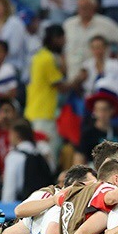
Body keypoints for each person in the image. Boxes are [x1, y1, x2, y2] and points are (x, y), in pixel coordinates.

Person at [25, 25, 82, 162]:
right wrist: (78, 80)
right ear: (56, 38)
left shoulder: (40, 56)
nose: (64, 42)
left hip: (36, 111)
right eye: (63, 39)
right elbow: (61, 87)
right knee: (48, 156)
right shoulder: (48, 59)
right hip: (43, 114)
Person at [62, 0, 118, 81]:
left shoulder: (105, 24)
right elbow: (62, 48)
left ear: (94, 7)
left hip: (97, 77)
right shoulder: (68, 24)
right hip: (74, 76)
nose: (83, 10)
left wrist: (117, 62)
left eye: (86, 7)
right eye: (80, 7)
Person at [76, 91, 118, 165]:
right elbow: (79, 158)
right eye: (98, 110)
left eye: (105, 110)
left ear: (112, 110)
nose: (102, 114)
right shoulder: (88, 134)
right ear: (94, 112)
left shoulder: (117, 131)